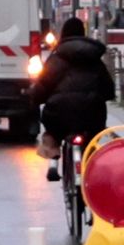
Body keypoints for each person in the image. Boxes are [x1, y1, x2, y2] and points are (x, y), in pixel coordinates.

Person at [36, 13, 112, 184]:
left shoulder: (56, 58)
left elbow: (43, 85)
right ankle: (91, 165)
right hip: (92, 112)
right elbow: (108, 89)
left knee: (52, 131)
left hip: (60, 113)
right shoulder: (95, 59)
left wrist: (34, 98)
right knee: (92, 136)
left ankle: (53, 159)